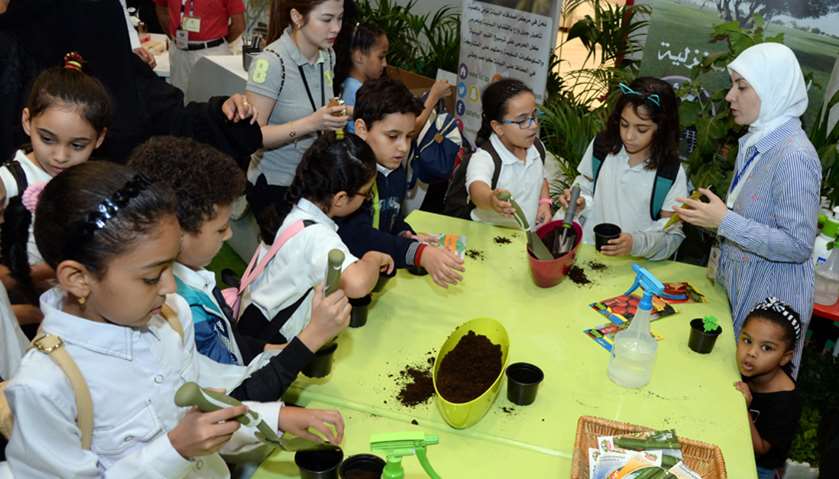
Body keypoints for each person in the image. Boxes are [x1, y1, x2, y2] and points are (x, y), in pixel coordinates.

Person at [4, 161, 344, 477]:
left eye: (171, 266)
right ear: (78, 278)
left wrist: (274, 418)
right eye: (152, 277)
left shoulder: (171, 318)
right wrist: (174, 449)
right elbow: (182, 439)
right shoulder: (45, 387)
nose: (169, 286)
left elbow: (206, 410)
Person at [129, 137, 352, 402]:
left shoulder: (196, 275)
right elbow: (234, 396)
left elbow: (230, 345)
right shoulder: (180, 308)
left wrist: (283, 349)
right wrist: (311, 338)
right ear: (177, 233)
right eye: (221, 229)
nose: (229, 234)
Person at [673, 43, 821, 374]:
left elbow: (797, 245)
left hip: (767, 316)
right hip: (742, 293)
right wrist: (712, 217)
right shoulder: (758, 140)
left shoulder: (793, 156)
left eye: (742, 86)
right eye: (732, 85)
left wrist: (725, 221)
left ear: (774, 89)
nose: (729, 96)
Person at [238, 134, 393, 344]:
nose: (368, 200)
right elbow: (358, 284)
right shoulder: (318, 235)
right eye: (366, 194)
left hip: (255, 319)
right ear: (340, 198)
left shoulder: (295, 209)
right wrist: (373, 259)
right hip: (272, 336)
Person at [0, 52, 111, 308]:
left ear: (100, 138)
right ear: (27, 121)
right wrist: (58, 270)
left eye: (78, 145)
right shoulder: (10, 182)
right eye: (47, 139)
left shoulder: (91, 178)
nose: (60, 157)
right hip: (26, 307)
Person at [339, 77, 464, 288]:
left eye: (408, 137)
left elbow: (392, 218)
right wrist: (418, 253)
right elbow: (359, 237)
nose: (404, 148)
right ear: (361, 129)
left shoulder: (394, 170)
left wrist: (406, 234)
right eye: (392, 136)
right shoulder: (349, 176)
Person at [559, 77, 688, 260]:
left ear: (662, 129)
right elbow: (586, 185)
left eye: (641, 129)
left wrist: (635, 244)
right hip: (588, 255)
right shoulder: (603, 146)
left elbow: (671, 233)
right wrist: (578, 201)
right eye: (624, 124)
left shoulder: (670, 171)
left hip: (634, 268)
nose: (628, 136)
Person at [245, 0, 349, 225]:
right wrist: (312, 123)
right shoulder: (271, 63)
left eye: (340, 18)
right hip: (275, 185)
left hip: (313, 180)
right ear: (297, 16)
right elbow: (253, 137)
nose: (336, 28)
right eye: (327, 19)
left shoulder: (328, 54)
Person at [466, 78, 552, 228]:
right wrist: (491, 199)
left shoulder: (537, 148)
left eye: (534, 115)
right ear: (498, 127)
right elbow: (477, 190)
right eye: (522, 120)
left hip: (525, 240)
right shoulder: (485, 158)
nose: (533, 126)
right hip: (491, 241)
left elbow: (541, 178)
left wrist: (544, 202)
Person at [734, 298, 802, 479]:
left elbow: (761, 449)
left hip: (758, 468)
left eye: (766, 347)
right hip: (734, 444)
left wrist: (744, 408)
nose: (751, 352)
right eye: (747, 340)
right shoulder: (747, 369)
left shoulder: (786, 402)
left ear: (785, 357)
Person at [154, 0, 244, 92]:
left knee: (211, 98)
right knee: (179, 97)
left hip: (211, 53)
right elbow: (161, 10)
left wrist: (217, 43)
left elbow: (238, 25)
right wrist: (177, 39)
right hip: (179, 52)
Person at [335, 23, 387, 134]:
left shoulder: (356, 86)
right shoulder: (354, 90)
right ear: (359, 56)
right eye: (381, 57)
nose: (385, 64)